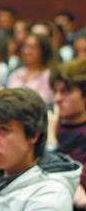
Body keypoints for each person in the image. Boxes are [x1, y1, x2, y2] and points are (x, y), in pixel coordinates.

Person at [48, 60, 86, 209]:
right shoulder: (51, 123)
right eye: (55, 92)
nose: (57, 99)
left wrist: (51, 142)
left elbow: (74, 178)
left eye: (65, 91)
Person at [7, 33, 54, 105]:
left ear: (42, 51)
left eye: (32, 47)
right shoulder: (16, 74)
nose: (26, 51)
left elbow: (43, 102)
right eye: (25, 46)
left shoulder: (48, 76)